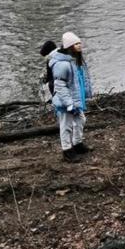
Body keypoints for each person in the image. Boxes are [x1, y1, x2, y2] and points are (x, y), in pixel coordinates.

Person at [49, 32, 91, 163]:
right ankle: (67, 150)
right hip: (65, 102)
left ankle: (77, 143)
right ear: (69, 46)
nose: (79, 46)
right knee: (66, 125)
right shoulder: (63, 64)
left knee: (81, 120)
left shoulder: (75, 60)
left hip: (75, 100)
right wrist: (69, 104)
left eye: (79, 43)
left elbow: (80, 80)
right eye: (76, 44)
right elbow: (60, 86)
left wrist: (86, 95)